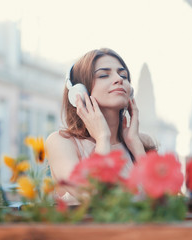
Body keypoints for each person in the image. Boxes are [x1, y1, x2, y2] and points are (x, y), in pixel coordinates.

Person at [46, 48, 156, 205]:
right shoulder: (61, 142)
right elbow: (90, 194)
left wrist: (136, 145)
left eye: (123, 75)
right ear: (79, 91)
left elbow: (163, 203)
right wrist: (102, 139)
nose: (119, 79)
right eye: (104, 75)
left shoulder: (141, 143)